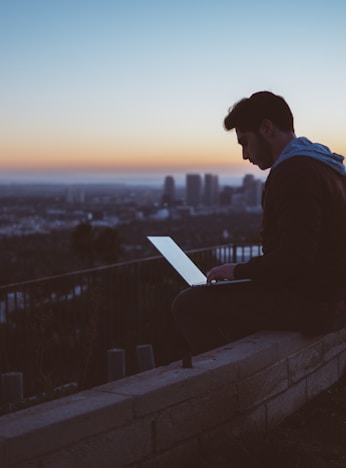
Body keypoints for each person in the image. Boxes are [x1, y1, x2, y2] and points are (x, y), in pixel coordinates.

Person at [172, 91, 346, 356]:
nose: (244, 155)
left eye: (245, 142)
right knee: (233, 303)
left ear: (266, 128)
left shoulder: (294, 171)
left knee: (187, 304)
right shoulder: (325, 165)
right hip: (331, 298)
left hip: (315, 305)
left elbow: (296, 258)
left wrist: (238, 271)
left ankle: (225, 381)